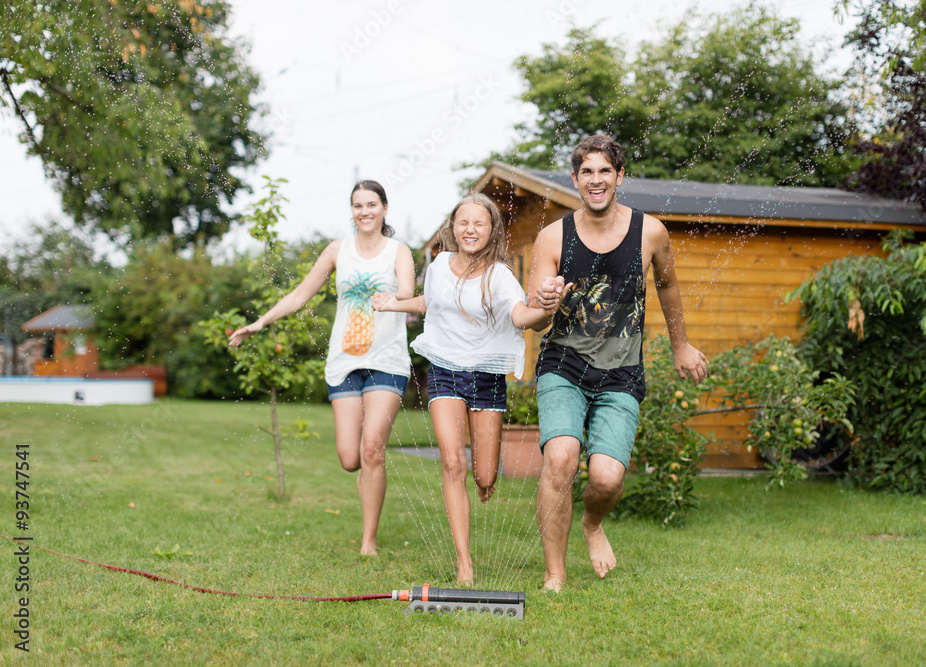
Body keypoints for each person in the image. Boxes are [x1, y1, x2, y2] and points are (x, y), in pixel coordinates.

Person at [529, 135, 708, 591]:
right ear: (575, 179)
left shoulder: (650, 232)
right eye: (586, 171)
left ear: (619, 176)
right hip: (563, 364)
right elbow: (533, 316)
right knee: (561, 458)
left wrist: (680, 346)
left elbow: (667, 286)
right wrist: (545, 302)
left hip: (622, 373)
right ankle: (555, 573)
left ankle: (592, 524)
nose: (595, 179)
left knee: (607, 479)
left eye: (604, 170)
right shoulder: (553, 237)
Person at [372, 193, 551, 584]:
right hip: (445, 370)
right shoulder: (438, 265)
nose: (470, 229)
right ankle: (464, 564)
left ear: (492, 230)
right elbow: (431, 302)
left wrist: (547, 309)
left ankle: (485, 481)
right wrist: (392, 304)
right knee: (452, 462)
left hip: (487, 376)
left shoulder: (500, 276)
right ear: (453, 227)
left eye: (479, 223)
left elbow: (521, 316)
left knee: (484, 476)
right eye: (463, 222)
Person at [229, 180, 414, 556]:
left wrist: (392, 298)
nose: (365, 211)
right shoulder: (337, 250)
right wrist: (260, 323)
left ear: (385, 209)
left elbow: (410, 294)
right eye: (358, 205)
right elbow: (300, 294)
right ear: (352, 211)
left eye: (372, 204)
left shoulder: (400, 251)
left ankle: (368, 542)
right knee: (351, 458)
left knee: (373, 450)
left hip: (386, 360)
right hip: (344, 362)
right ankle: (366, 472)